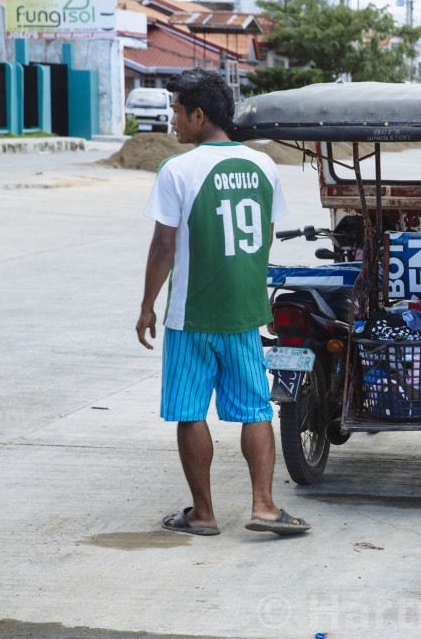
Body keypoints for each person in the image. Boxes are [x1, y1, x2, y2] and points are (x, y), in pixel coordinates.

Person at [135, 67, 310, 537]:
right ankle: (265, 507)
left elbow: (163, 247)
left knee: (190, 410)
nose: (171, 119)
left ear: (199, 114)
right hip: (244, 312)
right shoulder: (264, 166)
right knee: (255, 408)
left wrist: (147, 305)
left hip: (191, 315)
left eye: (175, 111)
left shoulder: (178, 170)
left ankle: (204, 514)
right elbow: (266, 236)